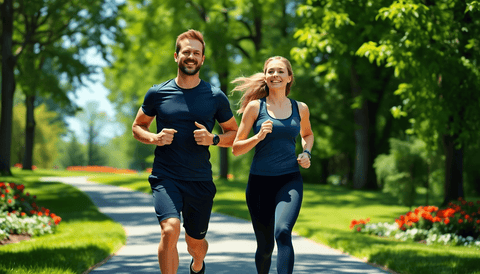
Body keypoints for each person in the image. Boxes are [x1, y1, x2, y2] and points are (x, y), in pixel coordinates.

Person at [132, 29, 238, 274]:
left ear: (202, 59)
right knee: (170, 229)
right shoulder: (158, 93)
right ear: (176, 56)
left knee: (195, 244)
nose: (191, 56)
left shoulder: (214, 96)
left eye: (196, 53)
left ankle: (197, 264)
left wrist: (213, 139)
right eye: (186, 52)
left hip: (199, 180)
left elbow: (233, 134)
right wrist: (154, 138)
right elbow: (138, 126)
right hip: (165, 175)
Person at [231, 56, 314, 274]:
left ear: (289, 78)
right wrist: (257, 136)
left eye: (280, 71)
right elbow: (236, 148)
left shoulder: (300, 108)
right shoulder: (254, 108)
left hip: (289, 180)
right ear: (266, 76)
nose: (275, 75)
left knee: (283, 231)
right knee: (266, 247)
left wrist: (306, 152)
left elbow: (308, 134)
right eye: (270, 71)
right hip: (259, 183)